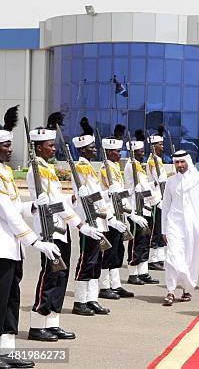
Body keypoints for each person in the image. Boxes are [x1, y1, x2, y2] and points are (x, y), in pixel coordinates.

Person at [27, 112, 103, 342]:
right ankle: (37, 324)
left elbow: (60, 202)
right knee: (49, 278)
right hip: (48, 230)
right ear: (39, 148)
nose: (53, 149)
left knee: (61, 277)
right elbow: (51, 204)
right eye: (49, 146)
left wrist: (81, 226)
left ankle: (52, 322)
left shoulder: (48, 170)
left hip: (62, 229)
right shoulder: (36, 171)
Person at [0, 106, 57, 368]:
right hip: (2, 247)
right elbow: (8, 215)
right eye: (4, 146)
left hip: (13, 248)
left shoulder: (7, 173)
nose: (9, 149)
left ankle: (7, 352)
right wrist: (35, 241)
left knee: (11, 301)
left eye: (10, 145)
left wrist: (33, 205)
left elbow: (16, 208)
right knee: (1, 303)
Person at [70, 118, 128, 316]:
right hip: (89, 221)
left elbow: (97, 196)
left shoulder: (89, 169)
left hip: (100, 220)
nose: (95, 149)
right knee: (87, 261)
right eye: (91, 147)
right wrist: (106, 198)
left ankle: (92, 298)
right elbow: (88, 196)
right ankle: (80, 301)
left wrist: (108, 213)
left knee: (95, 262)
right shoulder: (80, 168)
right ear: (83, 149)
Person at [161, 151, 199, 306]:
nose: (179, 165)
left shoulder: (198, 179)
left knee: (191, 258)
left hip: (194, 225)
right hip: (174, 224)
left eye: (182, 162)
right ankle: (170, 290)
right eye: (177, 162)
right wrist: (163, 230)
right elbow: (165, 207)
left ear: (188, 162)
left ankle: (187, 289)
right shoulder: (171, 181)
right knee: (172, 257)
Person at [98, 132, 135, 300]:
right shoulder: (106, 168)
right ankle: (104, 286)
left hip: (120, 213)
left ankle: (116, 284)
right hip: (110, 215)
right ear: (108, 153)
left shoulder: (114, 168)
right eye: (115, 151)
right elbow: (108, 194)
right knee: (109, 251)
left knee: (118, 250)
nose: (119, 154)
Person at [124, 131, 160, 286]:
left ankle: (143, 271)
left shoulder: (139, 165)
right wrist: (156, 199)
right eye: (139, 151)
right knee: (136, 242)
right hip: (136, 208)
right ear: (133, 153)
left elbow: (146, 186)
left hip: (145, 207)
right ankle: (133, 273)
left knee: (145, 240)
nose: (143, 153)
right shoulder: (132, 166)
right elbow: (142, 187)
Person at [146, 129, 168, 271]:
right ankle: (153, 259)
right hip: (156, 199)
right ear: (154, 146)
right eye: (160, 144)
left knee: (161, 229)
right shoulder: (153, 161)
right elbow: (156, 181)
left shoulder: (158, 160)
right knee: (155, 230)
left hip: (161, 197)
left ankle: (159, 257)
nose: (162, 147)